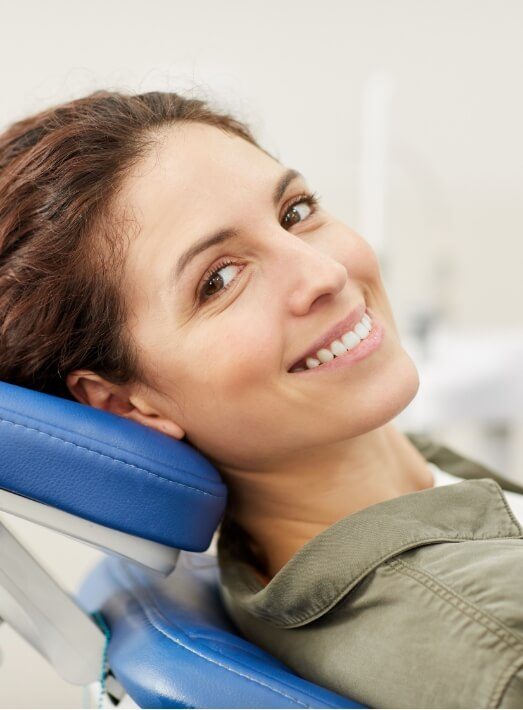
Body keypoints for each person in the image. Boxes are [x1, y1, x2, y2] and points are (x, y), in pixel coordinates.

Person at [0, 90, 522, 709]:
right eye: (219, 279)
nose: (323, 274)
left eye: (296, 211)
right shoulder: (493, 639)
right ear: (126, 404)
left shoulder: (286, 566)